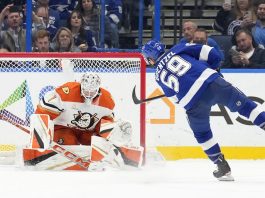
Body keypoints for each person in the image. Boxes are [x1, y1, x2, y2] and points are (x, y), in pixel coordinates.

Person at [142, 39, 265, 181]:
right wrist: (215, 70)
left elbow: (174, 98)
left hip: (192, 102)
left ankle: (221, 166)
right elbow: (212, 53)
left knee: (202, 133)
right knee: (246, 107)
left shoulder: (157, 75)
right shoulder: (178, 48)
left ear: (151, 58)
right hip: (211, 82)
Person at [26, 73, 143, 170]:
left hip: (87, 132)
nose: (89, 95)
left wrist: (113, 135)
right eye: (86, 91)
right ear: (81, 85)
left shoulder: (107, 100)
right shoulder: (67, 92)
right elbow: (42, 111)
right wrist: (40, 132)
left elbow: (105, 124)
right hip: (63, 128)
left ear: (98, 89)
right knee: (68, 142)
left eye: (92, 92)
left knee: (103, 142)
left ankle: (119, 152)